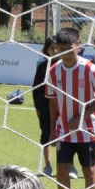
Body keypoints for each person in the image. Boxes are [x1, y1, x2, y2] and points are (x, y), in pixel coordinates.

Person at [46, 28, 95, 189]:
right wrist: (52, 130)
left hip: (87, 129)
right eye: (61, 50)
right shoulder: (54, 70)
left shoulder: (89, 69)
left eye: (69, 50)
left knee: (89, 171)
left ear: (78, 47)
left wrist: (81, 116)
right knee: (62, 170)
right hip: (63, 130)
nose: (65, 53)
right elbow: (52, 101)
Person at [31, 36, 57, 175]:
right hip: (45, 107)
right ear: (47, 50)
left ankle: (69, 166)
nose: (55, 50)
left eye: (58, 47)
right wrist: (38, 108)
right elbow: (36, 89)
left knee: (65, 136)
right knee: (46, 134)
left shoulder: (65, 66)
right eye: (52, 48)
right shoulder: (42, 67)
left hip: (62, 107)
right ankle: (48, 166)